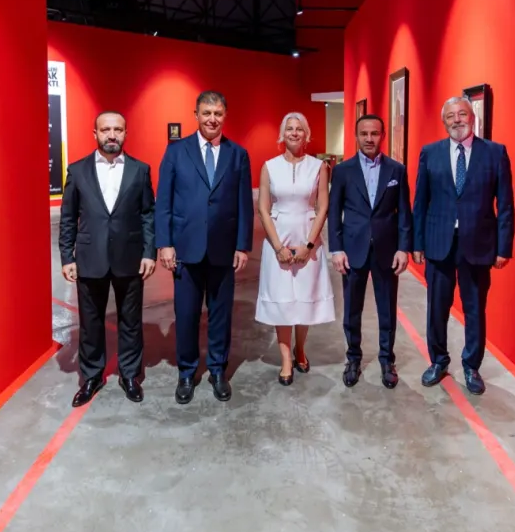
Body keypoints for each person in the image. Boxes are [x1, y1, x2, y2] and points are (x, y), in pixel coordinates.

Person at [155, 91, 253, 403]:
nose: (212, 119)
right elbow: (164, 201)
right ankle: (186, 372)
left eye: (218, 113)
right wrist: (165, 244)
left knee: (221, 314)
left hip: (224, 250)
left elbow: (244, 204)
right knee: (186, 314)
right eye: (207, 113)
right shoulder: (176, 151)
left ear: (225, 116)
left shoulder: (238, 154)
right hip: (186, 249)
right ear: (195, 114)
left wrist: (243, 245)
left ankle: (218, 370)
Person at [412, 96, 514, 395]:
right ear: (444, 121)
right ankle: (438, 361)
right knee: (436, 308)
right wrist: (417, 242)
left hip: (478, 245)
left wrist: (503, 247)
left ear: (472, 117)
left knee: (475, 309)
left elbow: (505, 205)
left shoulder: (495, 153)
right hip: (438, 244)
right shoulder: (430, 153)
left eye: (462, 114)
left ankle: (471, 366)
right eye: (451, 116)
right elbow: (420, 202)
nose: (457, 120)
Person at [58, 111, 157, 406]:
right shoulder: (77, 171)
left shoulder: (140, 170)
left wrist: (149, 252)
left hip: (130, 257)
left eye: (118, 130)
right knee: (90, 322)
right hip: (90, 258)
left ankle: (130, 375)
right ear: (95, 133)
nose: (112, 135)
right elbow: (68, 217)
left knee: (131, 321)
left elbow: (148, 214)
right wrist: (67, 256)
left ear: (126, 133)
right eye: (105, 130)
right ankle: (91, 377)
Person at [328, 114, 412, 389]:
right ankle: (353, 358)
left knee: (387, 309)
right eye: (364, 133)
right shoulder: (343, 170)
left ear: (382, 136)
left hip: (387, 251)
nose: (369, 139)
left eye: (374, 133)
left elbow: (404, 213)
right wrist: (336, 249)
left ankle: (387, 360)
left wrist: (403, 248)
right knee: (352, 309)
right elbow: (334, 212)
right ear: (356, 136)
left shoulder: (396, 170)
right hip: (352, 250)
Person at [255, 112, 335, 385]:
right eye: (289, 128)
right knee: (282, 301)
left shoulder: (319, 167)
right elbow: (263, 208)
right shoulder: (269, 166)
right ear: (282, 134)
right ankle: (286, 359)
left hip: (307, 236)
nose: (294, 133)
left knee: (304, 298)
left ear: (306, 134)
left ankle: (300, 349)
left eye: (299, 129)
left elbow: (322, 207)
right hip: (277, 239)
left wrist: (309, 245)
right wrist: (278, 247)